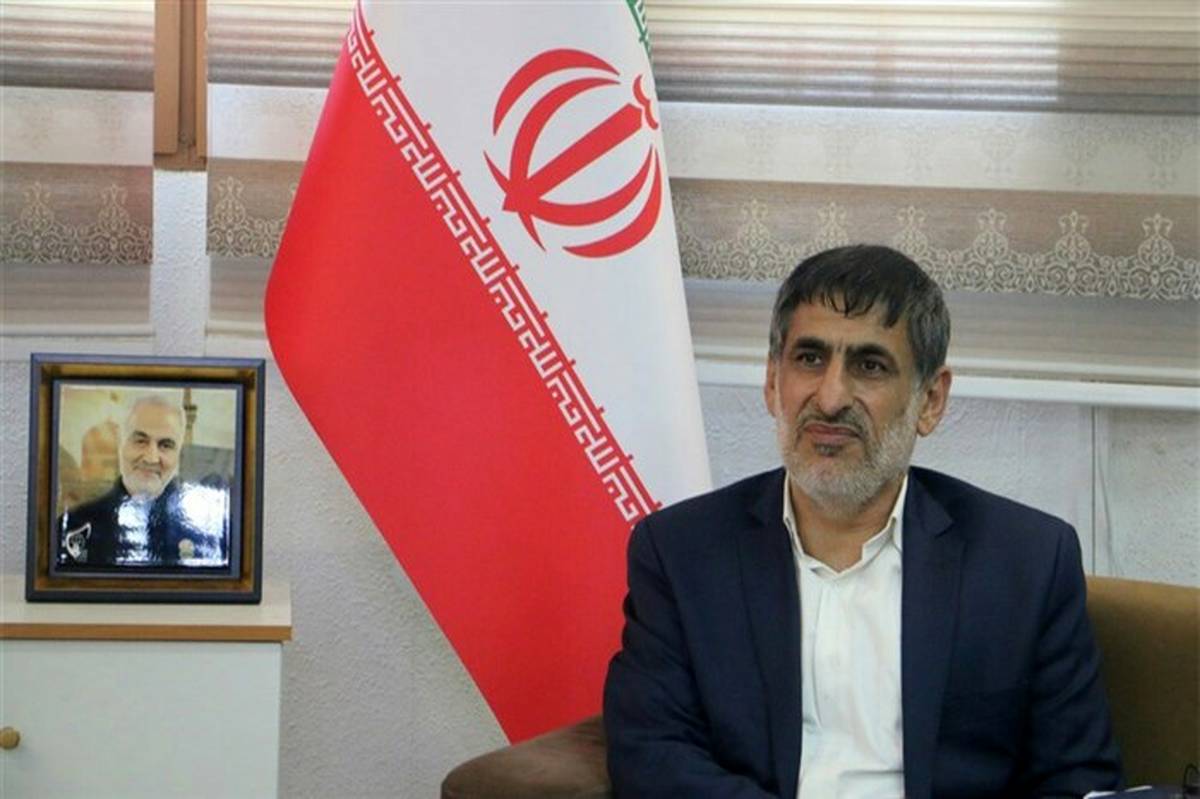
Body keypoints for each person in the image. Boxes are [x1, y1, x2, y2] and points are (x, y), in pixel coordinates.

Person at [603, 245, 1122, 798]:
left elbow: (1077, 779)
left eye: (869, 366)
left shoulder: (1026, 562)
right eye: (809, 359)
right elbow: (651, 754)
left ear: (930, 400)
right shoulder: (681, 552)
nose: (830, 398)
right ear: (772, 382)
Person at [57, 394, 229, 569]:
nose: (151, 458)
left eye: (165, 445)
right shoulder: (76, 526)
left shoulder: (207, 532)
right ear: (120, 443)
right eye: (140, 441)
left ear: (179, 453)